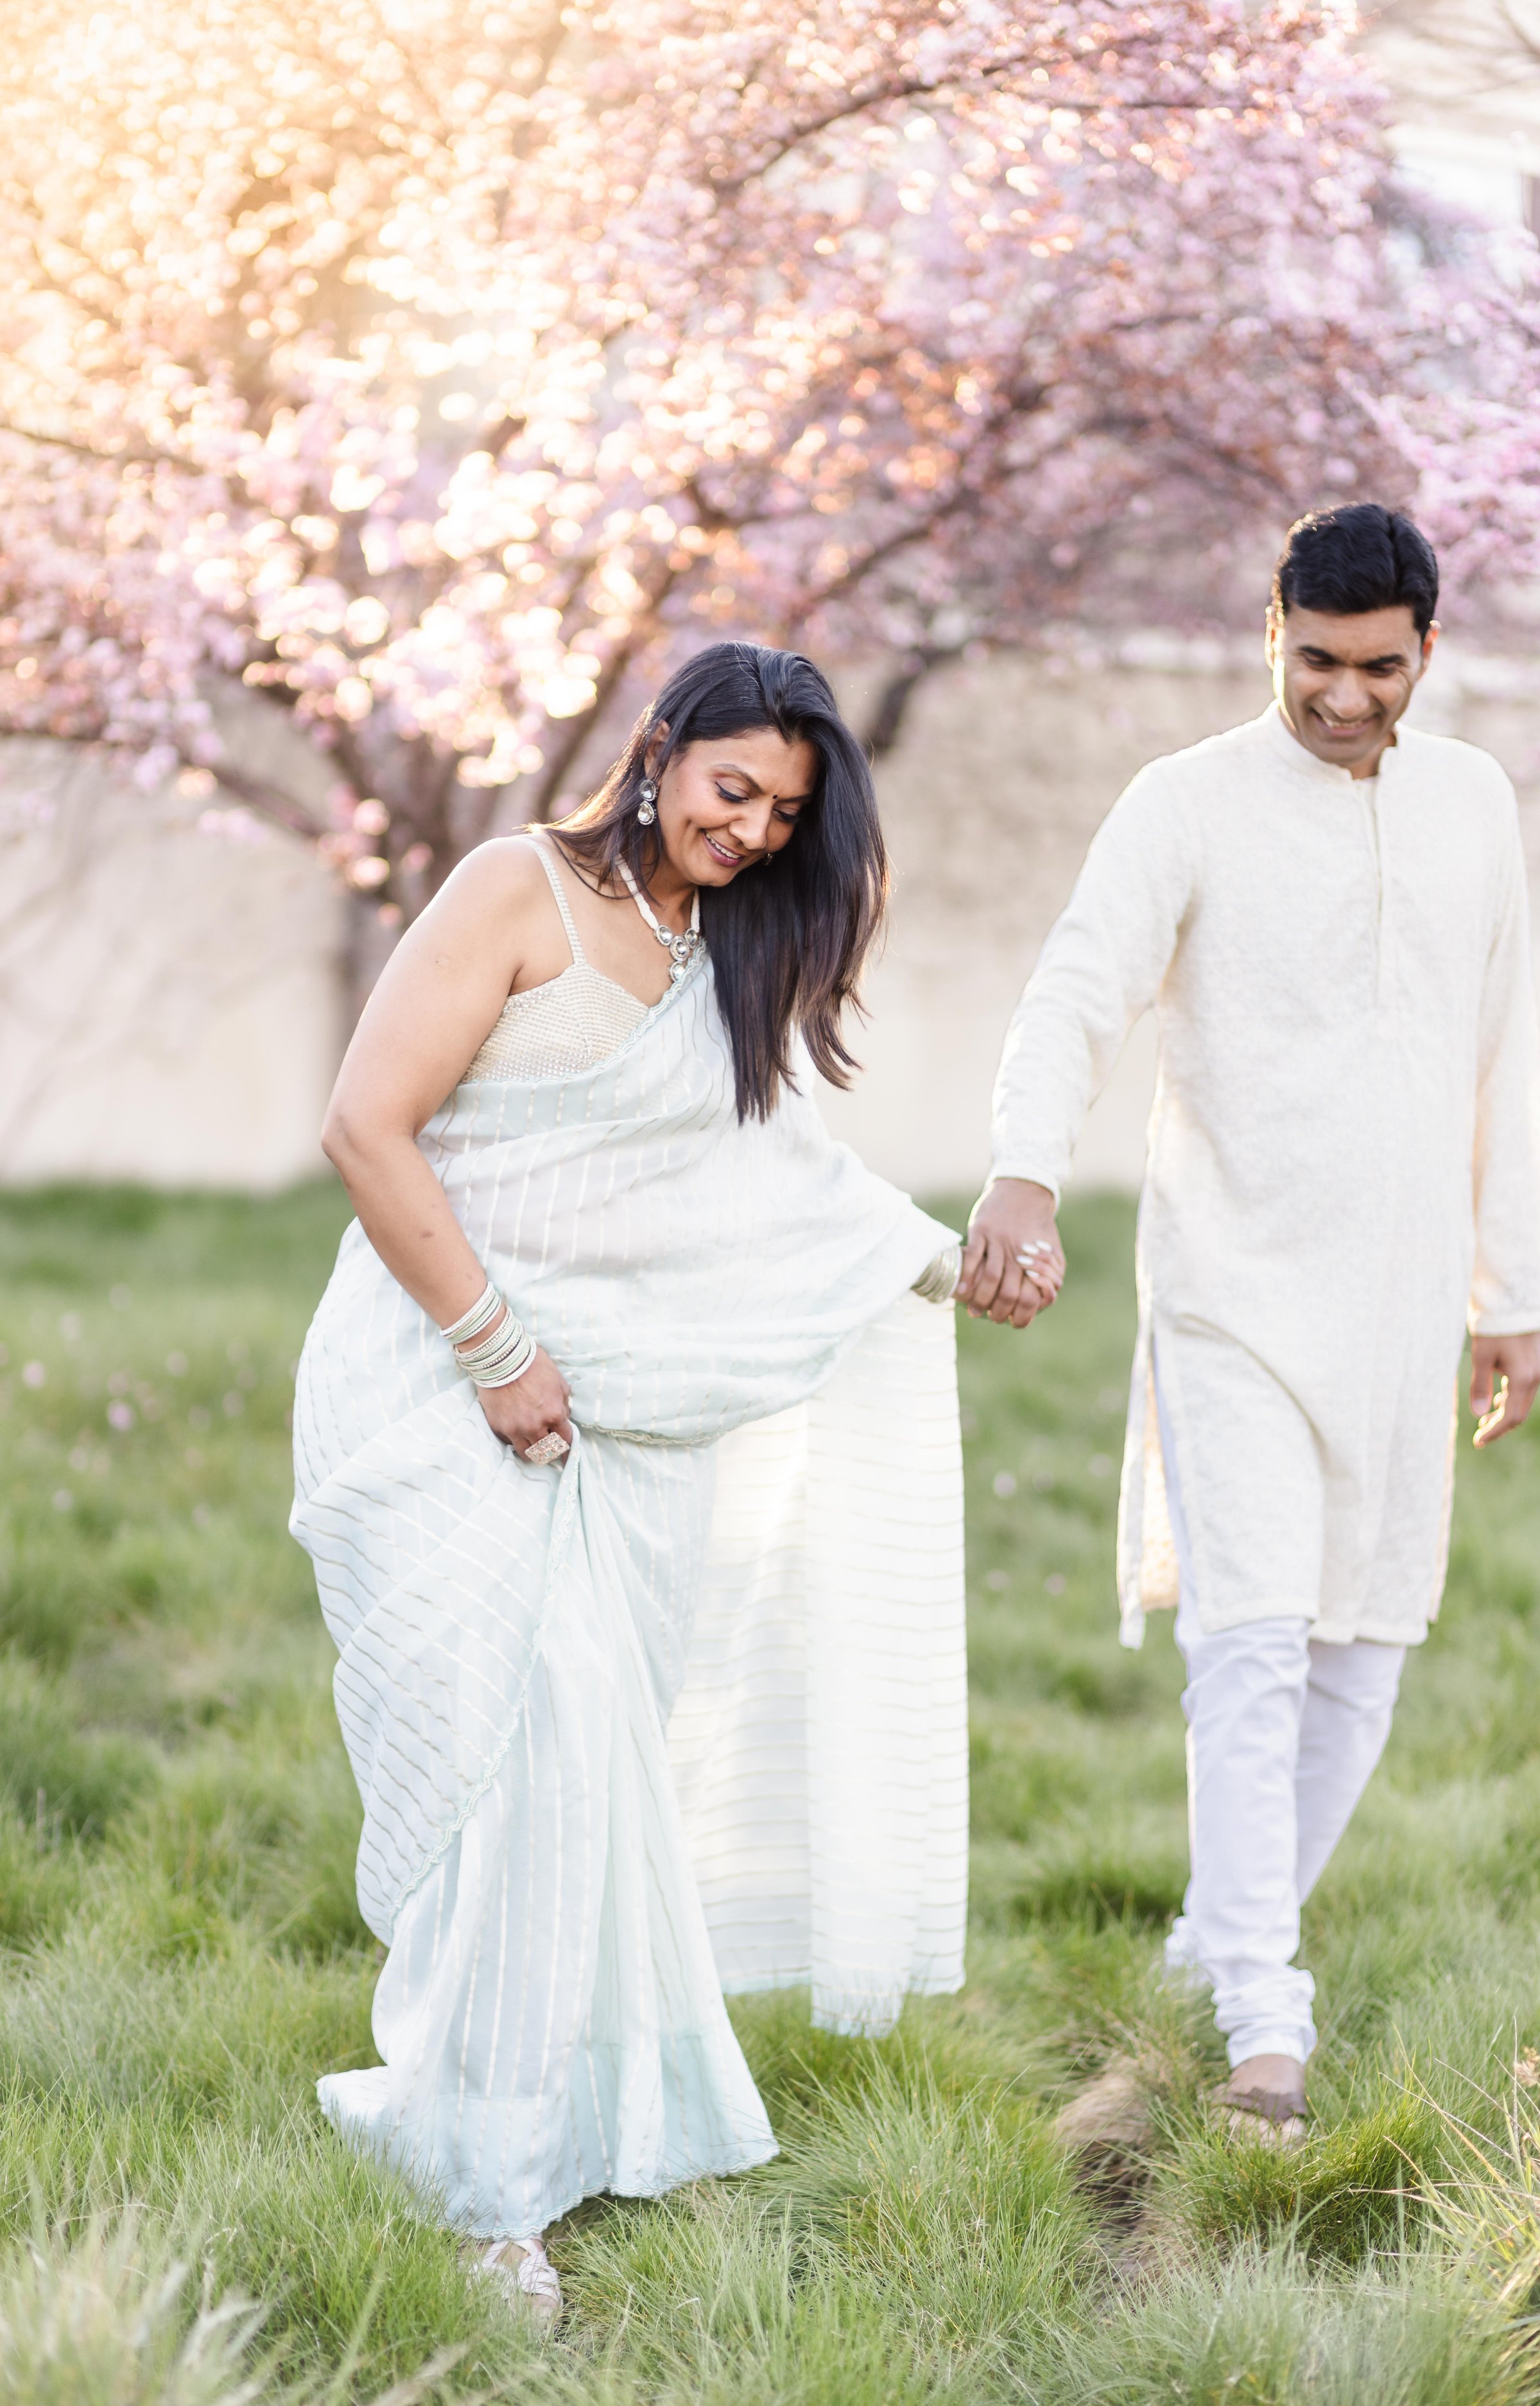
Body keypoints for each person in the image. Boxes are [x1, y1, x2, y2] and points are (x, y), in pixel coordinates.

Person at [291, 643, 971, 2314]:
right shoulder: (507, 887)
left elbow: (763, 1181)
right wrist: (491, 1346)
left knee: (591, 1778)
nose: (748, 831)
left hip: (622, 1428)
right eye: (732, 788)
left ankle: (545, 2116)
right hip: (440, 1380)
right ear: (659, 746)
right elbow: (367, 1126)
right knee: (517, 1762)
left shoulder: (721, 949)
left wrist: (934, 1262)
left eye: (783, 814)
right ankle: (483, 2199)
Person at [960, 504, 1540, 2142]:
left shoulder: (1471, 804)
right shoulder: (1187, 801)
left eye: (1378, 667)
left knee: (1359, 1648)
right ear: (1269, 630)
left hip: (1402, 1304)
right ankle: (1257, 2020)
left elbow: (1498, 1047)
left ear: (1425, 650)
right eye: (1315, 661)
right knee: (1246, 1648)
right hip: (1227, 1286)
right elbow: (1079, 985)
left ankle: (1206, 1941)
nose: (1345, 697)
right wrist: (1022, 1169)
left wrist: (1512, 1298)